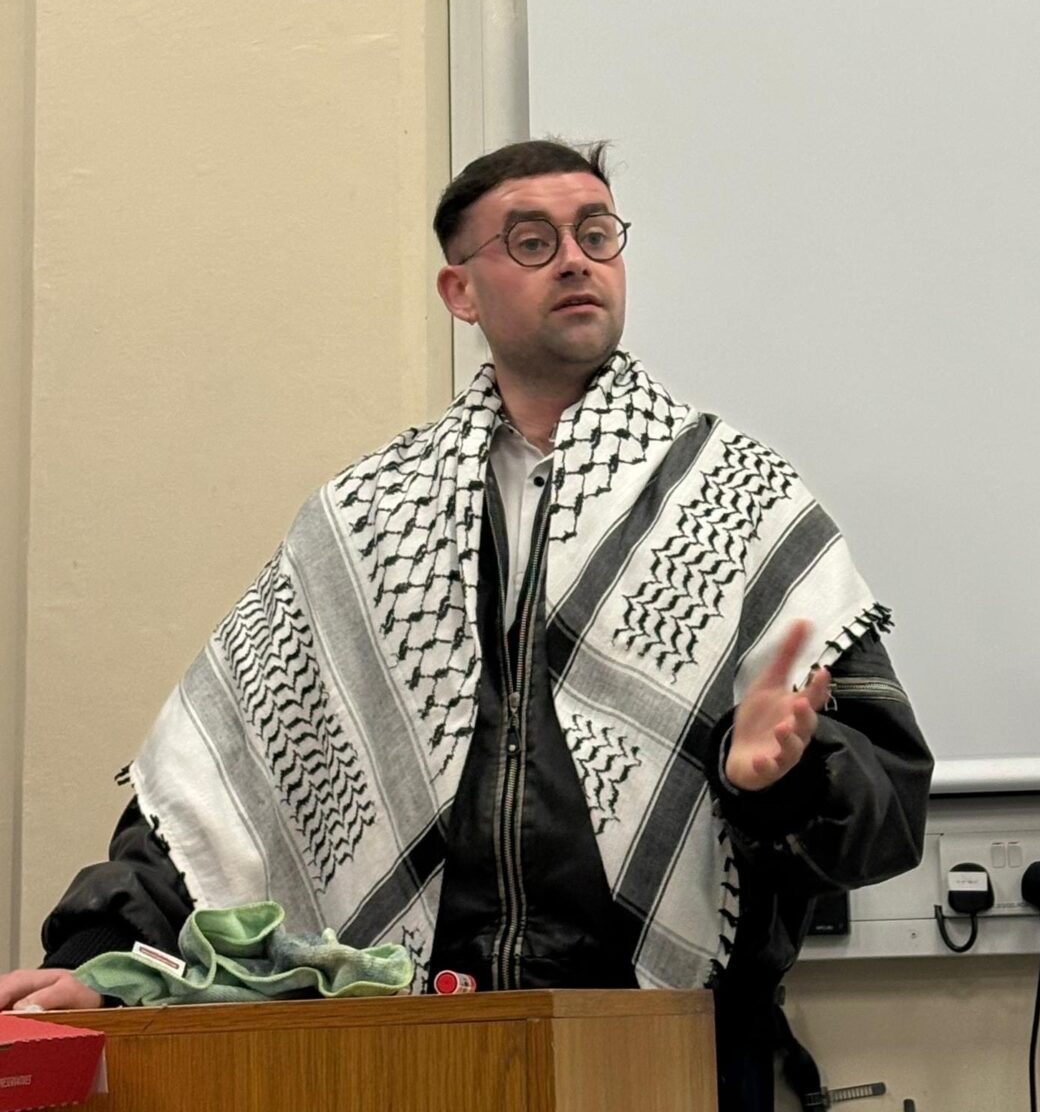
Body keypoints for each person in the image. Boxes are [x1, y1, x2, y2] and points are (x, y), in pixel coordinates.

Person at [0, 140, 932, 1110]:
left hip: (678, 1054)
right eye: (532, 240)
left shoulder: (739, 510)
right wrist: (98, 959)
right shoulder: (365, 522)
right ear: (462, 290)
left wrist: (790, 781)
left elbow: (884, 808)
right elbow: (217, 788)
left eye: (596, 233)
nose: (576, 258)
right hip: (416, 1056)